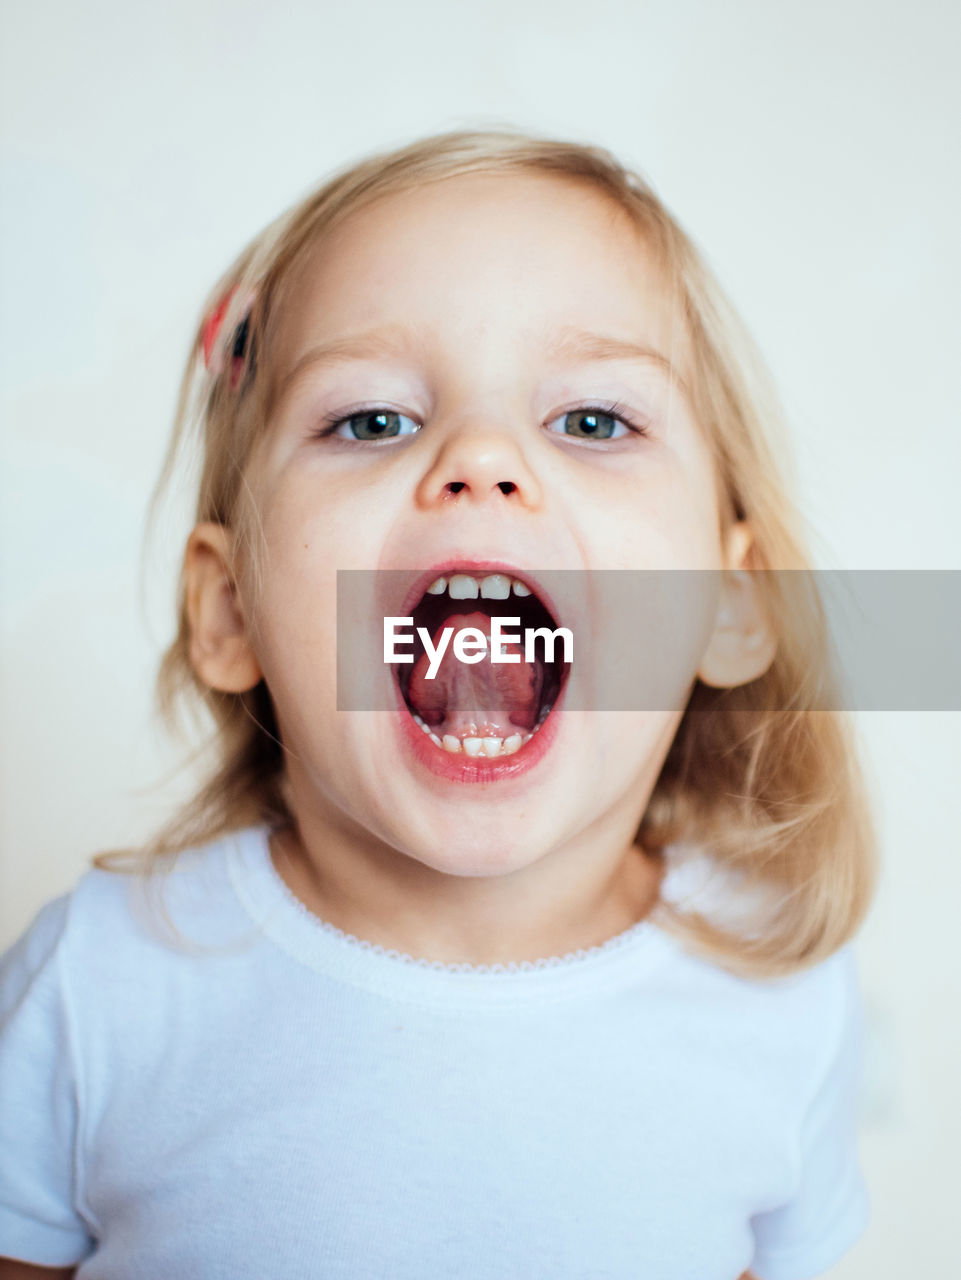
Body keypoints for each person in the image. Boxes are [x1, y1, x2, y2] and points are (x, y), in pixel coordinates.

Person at [0, 127, 878, 1279]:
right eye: (369, 419)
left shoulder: (777, 992)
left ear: (728, 605)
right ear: (230, 612)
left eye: (592, 420)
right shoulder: (100, 982)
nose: (481, 458)